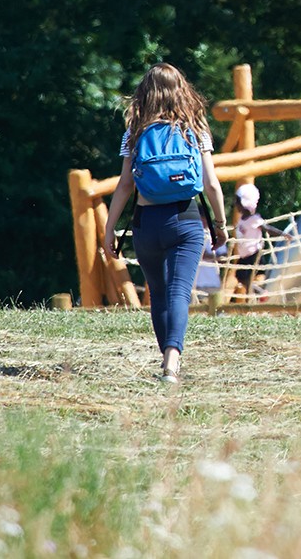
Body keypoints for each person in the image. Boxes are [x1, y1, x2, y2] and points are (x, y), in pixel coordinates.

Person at [102, 63, 229, 384]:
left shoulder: (136, 130)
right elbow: (211, 183)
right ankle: (172, 362)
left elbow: (125, 185)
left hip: (146, 223)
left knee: (158, 293)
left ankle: (167, 360)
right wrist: (220, 223)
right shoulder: (195, 126)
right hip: (185, 220)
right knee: (179, 292)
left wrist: (108, 229)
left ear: (145, 91)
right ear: (182, 91)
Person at [231, 183, 289, 299]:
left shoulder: (254, 219)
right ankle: (254, 295)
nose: (235, 204)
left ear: (245, 203)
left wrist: (283, 234)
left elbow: (267, 228)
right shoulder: (242, 220)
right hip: (244, 255)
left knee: (247, 278)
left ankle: (260, 294)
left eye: (238, 201)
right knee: (241, 277)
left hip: (253, 254)